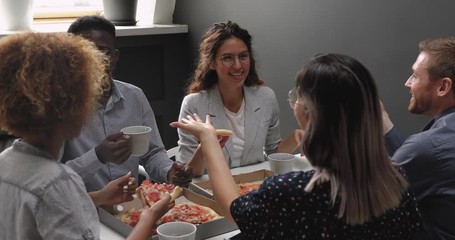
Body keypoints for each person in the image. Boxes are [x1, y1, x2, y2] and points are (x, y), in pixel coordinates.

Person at [171, 53, 422, 239]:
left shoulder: (289, 191)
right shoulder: (397, 179)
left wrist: (208, 140)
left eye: (298, 96)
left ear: (308, 111)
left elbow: (235, 210)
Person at [0, 32, 173, 240]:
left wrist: (99, 197)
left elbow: (48, 210)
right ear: (74, 105)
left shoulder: (5, 162)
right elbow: (56, 197)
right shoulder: (59, 183)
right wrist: (149, 217)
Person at [61, 15, 191, 192]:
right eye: (85, 52)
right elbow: (52, 178)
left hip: (130, 208)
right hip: (82, 209)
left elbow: (152, 153)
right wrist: (98, 156)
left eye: (103, 51)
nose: (94, 59)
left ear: (115, 57)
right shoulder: (58, 107)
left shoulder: (134, 97)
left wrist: (169, 171)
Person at [177, 21, 303, 177]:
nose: (237, 66)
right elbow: (188, 173)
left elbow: (273, 152)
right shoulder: (194, 104)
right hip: (211, 190)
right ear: (212, 63)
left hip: (255, 187)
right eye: (227, 58)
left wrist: (298, 136)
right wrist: (206, 143)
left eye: (243, 56)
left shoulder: (266, 97)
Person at [382, 36, 455, 240]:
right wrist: (383, 122)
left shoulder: (429, 147)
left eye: (415, 75)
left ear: (443, 87)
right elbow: (418, 166)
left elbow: (368, 195)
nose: (407, 83)